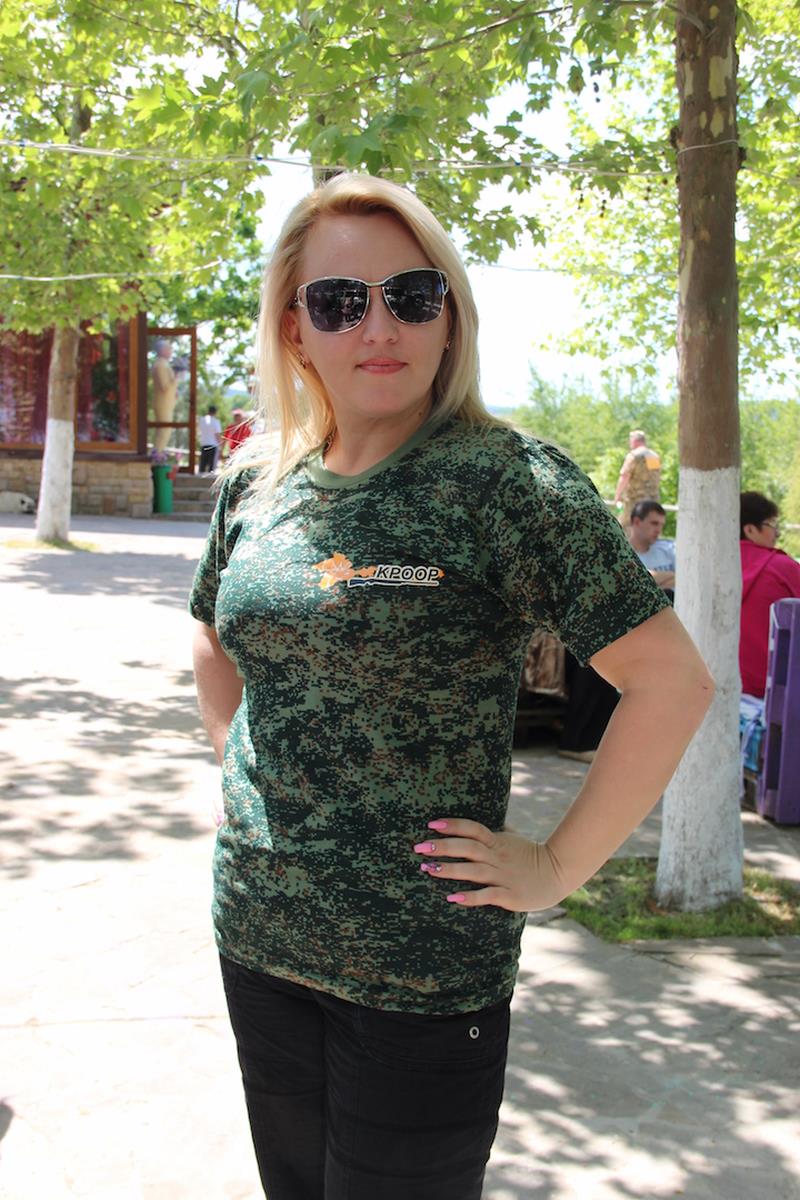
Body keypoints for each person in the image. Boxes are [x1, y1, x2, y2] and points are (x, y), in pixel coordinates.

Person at [189, 173, 714, 1200]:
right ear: (295, 329)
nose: (378, 325)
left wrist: (556, 866)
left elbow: (671, 683)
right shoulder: (260, 482)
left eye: (411, 295)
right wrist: (233, 765)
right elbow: (214, 630)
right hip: (258, 937)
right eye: (339, 301)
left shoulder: (507, 483)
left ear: (449, 317)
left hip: (422, 976)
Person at [739, 490, 800, 697]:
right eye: (772, 525)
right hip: (774, 693)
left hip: (711, 686)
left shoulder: (704, 566)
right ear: (750, 530)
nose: (777, 534)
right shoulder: (783, 568)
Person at [629, 499, 676, 596]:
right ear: (637, 522)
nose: (659, 530)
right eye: (654, 523)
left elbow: (685, 577)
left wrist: (651, 584)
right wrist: (672, 576)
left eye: (661, 525)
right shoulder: (624, 554)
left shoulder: (668, 549)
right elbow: (635, 583)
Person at [614, 429, 661, 526]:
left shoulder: (633, 456)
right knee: (648, 527)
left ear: (634, 441)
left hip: (635, 501)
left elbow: (625, 476)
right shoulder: (653, 457)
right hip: (652, 500)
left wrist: (618, 495)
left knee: (626, 526)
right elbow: (654, 478)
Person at [151, 339, 178, 453]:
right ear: (162, 350)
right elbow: (164, 386)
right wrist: (175, 377)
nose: (171, 351)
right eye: (169, 348)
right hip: (162, 404)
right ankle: (156, 456)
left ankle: (158, 455)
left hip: (167, 404)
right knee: (163, 431)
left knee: (165, 431)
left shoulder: (164, 364)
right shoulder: (160, 365)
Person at [198, 404, 222, 473]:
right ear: (215, 412)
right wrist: (220, 445)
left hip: (203, 444)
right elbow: (217, 434)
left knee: (203, 464)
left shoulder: (202, 420)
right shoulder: (215, 421)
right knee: (211, 466)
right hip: (213, 445)